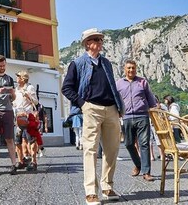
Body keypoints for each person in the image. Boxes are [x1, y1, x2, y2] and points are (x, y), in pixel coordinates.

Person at [62, 28, 124, 205]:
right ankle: (90, 191)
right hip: (91, 109)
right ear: (88, 43)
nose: (100, 42)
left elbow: (113, 86)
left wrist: (119, 107)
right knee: (90, 150)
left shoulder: (106, 63)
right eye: (96, 39)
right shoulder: (77, 63)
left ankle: (107, 186)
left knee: (112, 150)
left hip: (111, 109)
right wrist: (83, 104)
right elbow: (66, 88)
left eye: (101, 39)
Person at [116, 59, 158, 182]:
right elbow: (115, 99)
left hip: (142, 116)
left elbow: (150, 98)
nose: (131, 70)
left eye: (133, 68)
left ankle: (146, 172)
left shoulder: (142, 82)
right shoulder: (118, 83)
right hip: (126, 117)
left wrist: (155, 109)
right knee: (128, 144)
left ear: (136, 69)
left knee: (144, 144)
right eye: (128, 68)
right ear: (124, 69)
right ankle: (138, 165)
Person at [12, 71, 42, 170]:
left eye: (18, 76)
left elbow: (35, 101)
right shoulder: (16, 89)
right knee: (17, 140)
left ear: (23, 78)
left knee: (31, 139)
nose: (16, 78)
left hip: (28, 116)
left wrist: (28, 96)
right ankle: (21, 161)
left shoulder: (29, 88)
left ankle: (34, 161)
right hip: (18, 117)